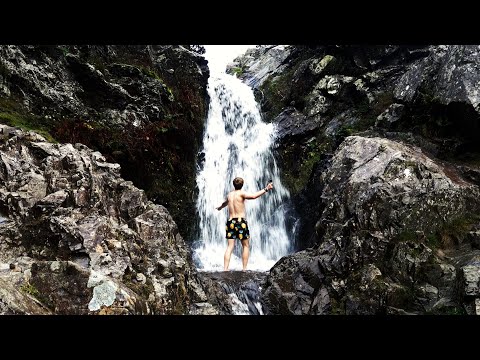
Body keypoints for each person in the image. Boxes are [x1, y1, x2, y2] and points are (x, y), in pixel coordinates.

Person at [216, 177, 273, 271]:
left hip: (230, 222)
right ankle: (244, 269)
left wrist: (220, 207)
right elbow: (254, 196)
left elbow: (225, 203)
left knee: (230, 246)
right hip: (240, 221)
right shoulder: (242, 193)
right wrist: (266, 189)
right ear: (242, 185)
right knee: (245, 245)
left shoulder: (230, 194)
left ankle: (225, 269)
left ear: (233, 184)